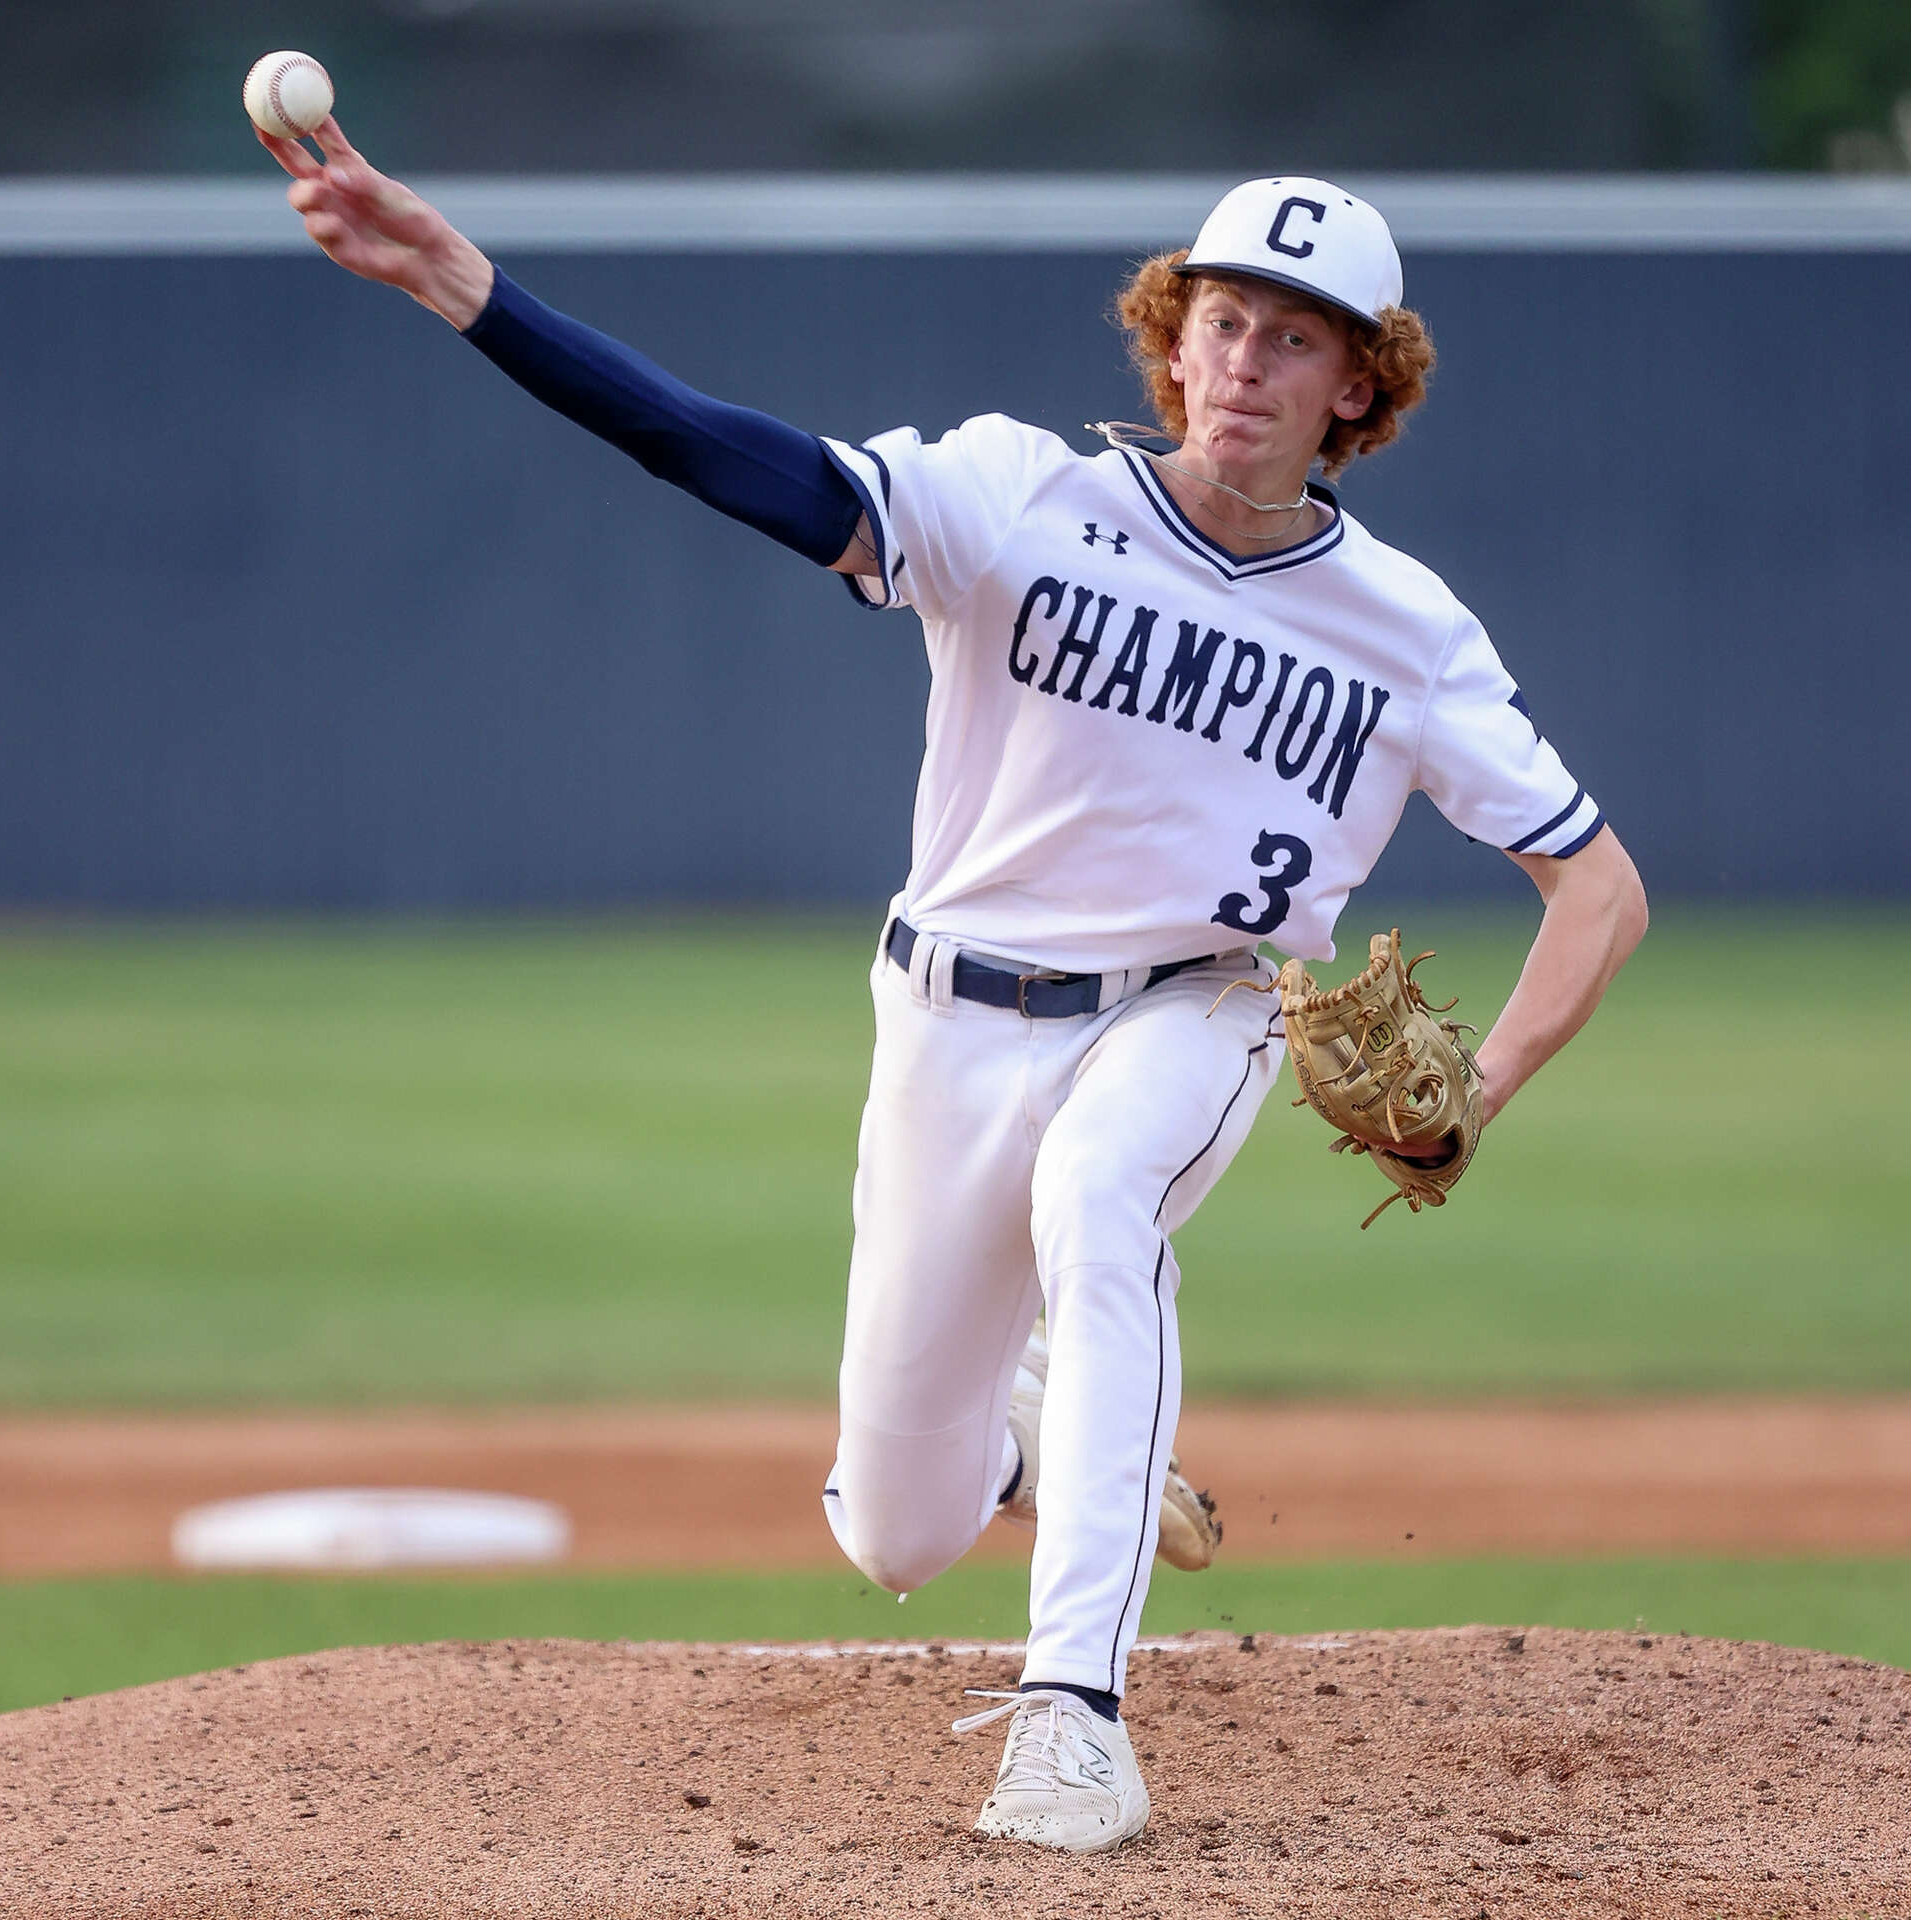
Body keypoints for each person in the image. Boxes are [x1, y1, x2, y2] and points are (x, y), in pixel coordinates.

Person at [262, 123, 1648, 1855]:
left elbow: (1595, 885)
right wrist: (464, 289)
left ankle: (1075, 1716)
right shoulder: (1018, 493)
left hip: (1196, 1007)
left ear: (1361, 388)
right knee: (892, 1531)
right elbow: (722, 454)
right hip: (945, 1016)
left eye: (1296, 337)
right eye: (1223, 319)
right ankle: (1047, 1444)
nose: (1245, 363)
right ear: (1172, 335)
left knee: (1101, 1203)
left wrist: (1485, 1087)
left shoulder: (1406, 629)